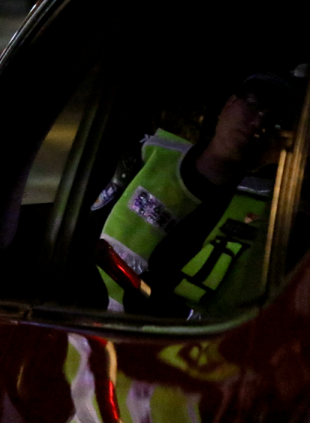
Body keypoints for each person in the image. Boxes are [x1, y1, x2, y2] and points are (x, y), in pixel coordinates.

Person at [92, 71, 303, 318]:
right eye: (253, 104)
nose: (259, 123)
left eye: (277, 121)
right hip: (82, 319)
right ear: (228, 105)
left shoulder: (274, 218)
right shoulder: (145, 156)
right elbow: (76, 233)